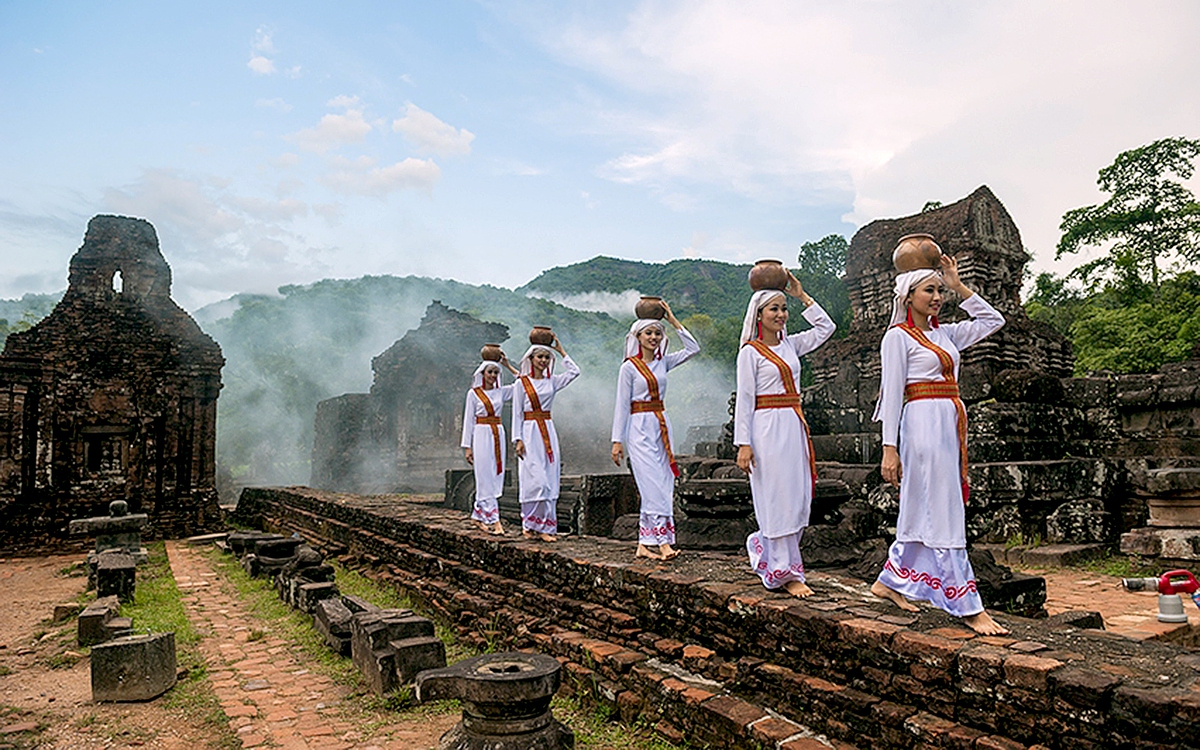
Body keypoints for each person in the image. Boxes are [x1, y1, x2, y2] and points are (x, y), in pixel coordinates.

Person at [870, 252, 1009, 635]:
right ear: (908, 296)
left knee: (922, 504)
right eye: (929, 290)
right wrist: (889, 448)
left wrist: (957, 283)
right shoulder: (896, 337)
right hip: (922, 425)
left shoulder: (945, 334)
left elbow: (992, 320)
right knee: (944, 507)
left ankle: (890, 580)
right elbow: (893, 393)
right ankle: (967, 605)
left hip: (948, 425)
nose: (937, 296)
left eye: (938, 290)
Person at [734, 272, 835, 597]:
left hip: (793, 424)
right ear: (759, 315)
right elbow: (745, 398)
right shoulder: (750, 352)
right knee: (775, 496)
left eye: (782, 308)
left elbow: (826, 329)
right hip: (766, 428)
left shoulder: (791, 344)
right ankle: (784, 571)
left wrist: (802, 297)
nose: (780, 314)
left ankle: (764, 545)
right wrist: (744, 444)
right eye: (773, 309)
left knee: (798, 495)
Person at [611, 300, 701, 561]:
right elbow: (621, 405)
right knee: (651, 484)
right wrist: (617, 440)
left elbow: (694, 349)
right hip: (638, 428)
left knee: (664, 481)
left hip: (661, 425)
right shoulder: (628, 367)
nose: (653, 337)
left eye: (657, 333)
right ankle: (662, 543)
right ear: (637, 336)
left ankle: (644, 543)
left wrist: (673, 320)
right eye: (648, 333)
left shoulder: (664, 363)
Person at [512, 335, 580, 541]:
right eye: (539, 356)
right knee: (535, 480)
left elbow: (575, 372)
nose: (543, 360)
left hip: (548, 432)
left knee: (549, 480)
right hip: (529, 431)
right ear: (530, 359)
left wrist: (561, 351)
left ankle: (543, 528)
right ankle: (530, 522)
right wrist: (518, 439)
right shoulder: (521, 383)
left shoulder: (553, 381)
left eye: (546, 357)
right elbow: (516, 413)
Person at [461, 353, 519, 535]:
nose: (493, 376)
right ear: (482, 374)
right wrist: (467, 446)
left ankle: (477, 516)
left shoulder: (501, 392)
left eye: (496, 372)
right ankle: (495, 521)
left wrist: (508, 365)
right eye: (490, 372)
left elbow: (523, 383)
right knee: (484, 474)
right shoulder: (473, 394)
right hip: (480, 434)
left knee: (495, 474)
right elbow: (468, 420)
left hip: (498, 434)